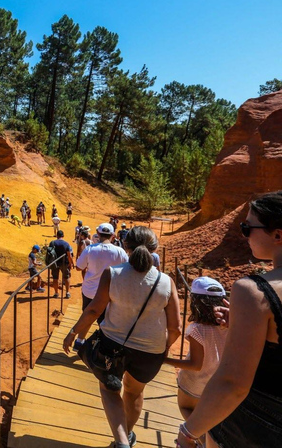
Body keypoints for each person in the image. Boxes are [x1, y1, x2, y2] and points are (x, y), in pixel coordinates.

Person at [176, 191, 282, 448]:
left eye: (247, 227)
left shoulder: (254, 291)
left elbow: (232, 384)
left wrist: (189, 432)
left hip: (255, 425)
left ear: (278, 234)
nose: (243, 234)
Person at [63, 226, 181, 448]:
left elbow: (93, 311)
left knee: (109, 388)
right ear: (155, 249)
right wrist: (162, 348)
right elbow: (175, 328)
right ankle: (127, 434)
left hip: (111, 344)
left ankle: (122, 442)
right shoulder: (166, 282)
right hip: (150, 351)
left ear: (126, 247)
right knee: (134, 393)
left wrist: (73, 333)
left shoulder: (113, 274)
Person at [164, 277, 228, 426]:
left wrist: (164, 360)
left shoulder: (197, 330)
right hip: (215, 384)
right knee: (206, 417)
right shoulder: (229, 325)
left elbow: (196, 365)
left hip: (194, 383)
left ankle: (202, 440)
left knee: (186, 409)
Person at [75, 223, 128, 327]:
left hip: (89, 291)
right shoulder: (120, 252)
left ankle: (80, 340)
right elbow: (127, 270)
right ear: (113, 235)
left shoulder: (89, 249)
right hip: (109, 293)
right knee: (105, 321)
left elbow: (78, 267)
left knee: (87, 316)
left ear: (98, 233)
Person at [49, 230, 74, 299]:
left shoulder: (52, 243)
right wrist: (71, 263)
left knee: (55, 278)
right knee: (66, 277)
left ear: (57, 235)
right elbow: (69, 255)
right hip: (64, 263)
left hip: (55, 263)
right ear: (63, 236)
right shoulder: (66, 244)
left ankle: (56, 293)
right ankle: (67, 293)